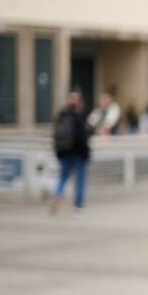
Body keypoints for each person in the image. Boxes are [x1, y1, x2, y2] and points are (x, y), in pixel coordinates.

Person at [49, 89, 91, 217]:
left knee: (62, 178)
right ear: (79, 102)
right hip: (78, 154)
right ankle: (78, 207)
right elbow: (83, 137)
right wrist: (86, 153)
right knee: (80, 181)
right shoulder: (79, 117)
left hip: (65, 152)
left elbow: (56, 134)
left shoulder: (62, 115)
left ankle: (57, 195)